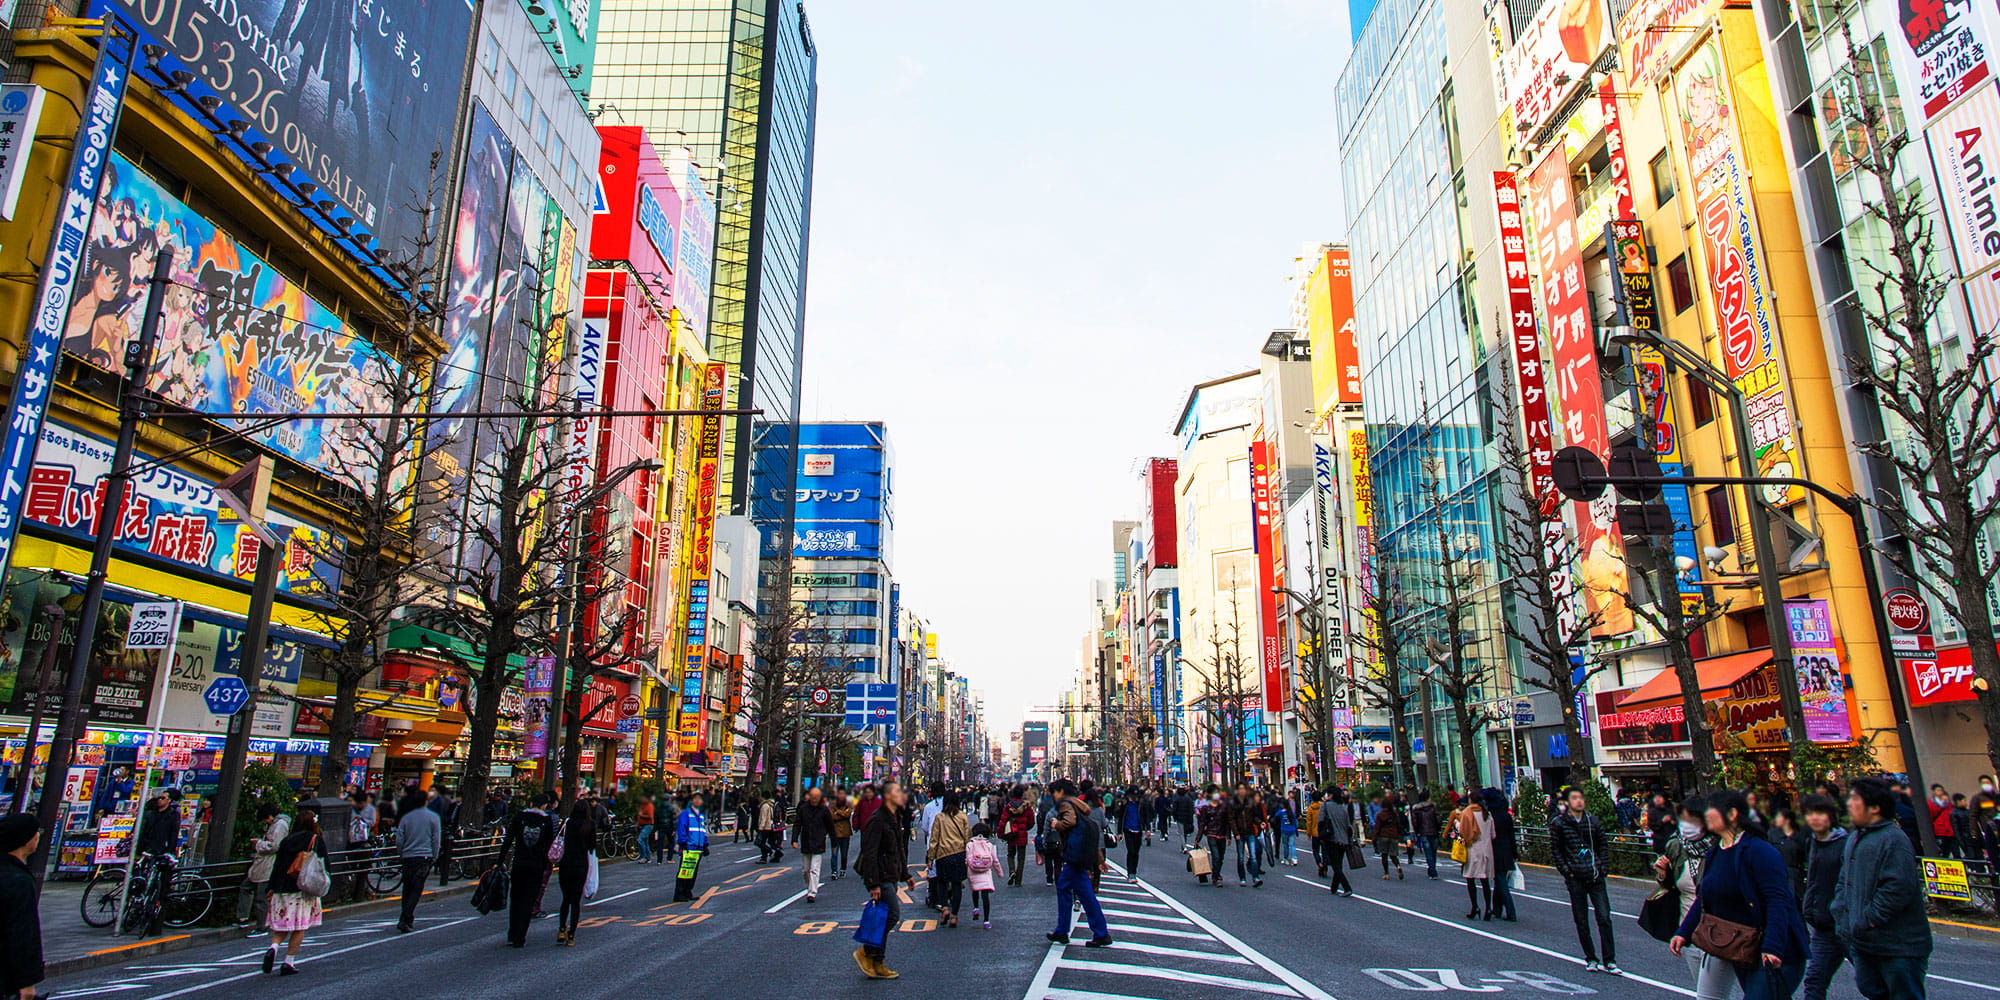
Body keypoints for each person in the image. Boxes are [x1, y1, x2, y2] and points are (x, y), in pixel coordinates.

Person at [1673, 790, 1810, 998]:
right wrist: (1684, 932)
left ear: (1732, 814)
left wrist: (1773, 946)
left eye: (1711, 809)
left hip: (1775, 951)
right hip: (1741, 946)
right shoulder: (1715, 852)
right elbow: (1704, 899)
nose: (1705, 814)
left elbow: (1778, 901)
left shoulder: (1759, 851)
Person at [1832, 777, 1933, 999]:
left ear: (1875, 807)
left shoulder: (1893, 839)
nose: (1848, 803)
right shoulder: (1855, 838)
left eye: (1855, 799)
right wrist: (1841, 915)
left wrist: (1867, 919)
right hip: (1865, 943)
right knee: (1873, 991)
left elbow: (1897, 889)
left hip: (1899, 947)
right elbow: (1844, 880)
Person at [1653, 794, 1734, 1000]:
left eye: (1692, 820)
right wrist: (1662, 873)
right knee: (1705, 990)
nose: (1686, 826)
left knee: (1709, 995)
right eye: (1683, 820)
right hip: (1689, 931)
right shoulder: (1677, 847)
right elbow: (1671, 886)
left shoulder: (1722, 847)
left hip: (1718, 933)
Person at [1550, 786, 1618, 973]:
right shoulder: (1559, 824)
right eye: (1574, 798)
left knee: (1604, 917)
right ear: (1566, 802)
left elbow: (1602, 845)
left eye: (1581, 797)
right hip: (1575, 877)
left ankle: (1610, 960)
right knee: (1581, 920)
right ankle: (1591, 957)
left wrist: (1603, 867)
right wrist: (1566, 871)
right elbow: (1556, 849)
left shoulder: (1593, 822)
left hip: (1595, 875)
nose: (1579, 801)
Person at [854, 780, 913, 980]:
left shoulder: (893, 817)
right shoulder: (878, 819)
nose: (901, 795)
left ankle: (878, 962)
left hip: (890, 873)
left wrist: (906, 875)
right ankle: (867, 951)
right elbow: (869, 852)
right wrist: (873, 883)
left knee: (883, 916)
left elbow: (897, 849)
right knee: (892, 915)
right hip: (880, 876)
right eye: (897, 791)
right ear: (888, 796)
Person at [1044, 779, 1111, 947]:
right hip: (1080, 853)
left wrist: (1056, 824)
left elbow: (1070, 822)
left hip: (1074, 854)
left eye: (1054, 792)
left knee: (1084, 893)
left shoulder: (1065, 804)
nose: (1053, 796)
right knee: (1068, 887)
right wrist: (1099, 859)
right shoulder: (1079, 804)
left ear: (1060, 791)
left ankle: (1100, 933)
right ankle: (1063, 931)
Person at [1797, 793, 1851, 1000]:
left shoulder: (1845, 844)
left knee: (1871, 982)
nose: (1814, 818)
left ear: (1830, 815)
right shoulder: (1812, 843)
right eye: (1809, 814)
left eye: (1819, 813)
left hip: (1847, 925)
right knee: (1814, 980)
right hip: (1822, 927)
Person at [263, 806, 324, 976]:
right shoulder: (315, 839)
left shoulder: (287, 840)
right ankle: (288, 962)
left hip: (282, 888)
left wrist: (272, 887)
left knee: (282, 925)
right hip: (303, 888)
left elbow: (277, 865)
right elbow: (323, 864)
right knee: (299, 926)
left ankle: (273, 947)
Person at [501, 793, 555, 948]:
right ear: (544, 805)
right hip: (536, 866)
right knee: (528, 900)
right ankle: (520, 936)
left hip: (519, 863)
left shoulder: (520, 817)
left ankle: (512, 932)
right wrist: (546, 864)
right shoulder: (546, 820)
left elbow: (508, 840)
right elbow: (549, 845)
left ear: (531, 803)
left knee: (516, 899)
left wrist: (500, 861)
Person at [0, 814, 45, 1000]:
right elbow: (23, 933)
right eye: (37, 832)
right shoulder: (18, 880)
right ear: (26, 839)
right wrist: (26, 983)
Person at [235, 803, 290, 930]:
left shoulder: (279, 826)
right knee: (247, 887)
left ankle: (261, 926)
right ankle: (244, 918)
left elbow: (275, 846)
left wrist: (259, 844)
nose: (265, 822)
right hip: (263, 864)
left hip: (268, 864)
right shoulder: (277, 824)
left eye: (265, 819)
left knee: (261, 896)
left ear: (270, 816)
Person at [395, 792, 440, 934]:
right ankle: (406, 918)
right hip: (424, 856)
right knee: (416, 889)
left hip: (408, 856)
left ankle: (405, 918)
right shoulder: (433, 817)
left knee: (407, 888)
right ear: (426, 801)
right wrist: (434, 855)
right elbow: (436, 839)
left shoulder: (406, 818)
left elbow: (399, 839)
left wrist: (401, 853)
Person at [927, 791, 972, 927]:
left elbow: (934, 839)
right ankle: (954, 916)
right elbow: (967, 837)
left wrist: (930, 858)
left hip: (943, 854)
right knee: (957, 884)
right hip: (959, 854)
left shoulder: (939, 818)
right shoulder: (962, 817)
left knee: (942, 882)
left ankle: (944, 908)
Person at [554, 800, 595, 947]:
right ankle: (571, 935)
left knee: (565, 898)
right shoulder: (589, 825)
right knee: (575, 901)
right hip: (580, 864)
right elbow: (592, 846)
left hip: (566, 863)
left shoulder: (567, 823)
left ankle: (561, 929)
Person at [1481, 788, 1518, 921]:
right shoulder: (1505, 814)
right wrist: (1515, 852)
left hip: (1493, 851)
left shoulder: (1488, 816)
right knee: (1499, 879)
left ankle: (1511, 911)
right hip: (1506, 849)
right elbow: (1511, 835)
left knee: (1500, 881)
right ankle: (1497, 909)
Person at [793, 786, 834, 904]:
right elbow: (797, 824)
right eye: (813, 797)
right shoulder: (803, 809)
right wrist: (794, 839)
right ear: (809, 797)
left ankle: (812, 892)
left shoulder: (824, 810)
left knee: (814, 869)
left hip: (818, 842)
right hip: (806, 842)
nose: (814, 799)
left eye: (817, 797)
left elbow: (830, 826)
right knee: (805, 870)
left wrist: (833, 841)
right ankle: (809, 887)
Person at [1459, 794, 1495, 921]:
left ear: (1470, 800)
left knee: (1470, 879)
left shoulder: (1467, 813)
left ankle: (1475, 907)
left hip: (1472, 850)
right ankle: (1489, 908)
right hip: (1487, 851)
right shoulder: (1487, 814)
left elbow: (1462, 831)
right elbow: (1493, 834)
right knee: (1485, 881)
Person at [673, 793, 710, 902]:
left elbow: (703, 831)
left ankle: (688, 891)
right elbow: (682, 828)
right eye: (696, 799)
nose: (698, 801)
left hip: (698, 848)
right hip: (689, 847)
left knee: (693, 871)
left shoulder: (701, 816)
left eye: (700, 799)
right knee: (684, 870)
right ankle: (679, 893)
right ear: (692, 801)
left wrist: (705, 844)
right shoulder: (686, 814)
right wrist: (683, 842)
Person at [1319, 787, 1356, 897]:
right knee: (1338, 863)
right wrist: (1349, 840)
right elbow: (1348, 826)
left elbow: (1320, 821)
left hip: (1331, 838)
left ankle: (1347, 887)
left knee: (1335, 865)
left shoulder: (1325, 805)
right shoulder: (1343, 807)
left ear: (1330, 795)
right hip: (1343, 840)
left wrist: (1320, 836)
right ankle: (1334, 888)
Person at [1228, 783, 1266, 888]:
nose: (1242, 791)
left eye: (1243, 788)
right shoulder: (1233, 803)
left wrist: (1260, 823)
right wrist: (1235, 833)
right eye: (1240, 789)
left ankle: (1255, 878)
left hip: (1250, 832)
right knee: (1240, 857)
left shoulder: (1250, 802)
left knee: (1253, 856)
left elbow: (1253, 816)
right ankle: (1242, 878)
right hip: (1239, 833)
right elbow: (1231, 820)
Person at [966, 822, 999, 929]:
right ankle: (986, 920)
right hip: (985, 872)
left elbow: (967, 859)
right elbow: (995, 860)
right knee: (985, 895)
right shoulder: (989, 845)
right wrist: (999, 873)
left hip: (973, 870)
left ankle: (976, 908)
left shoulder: (970, 844)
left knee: (975, 889)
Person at [1195, 789, 1230, 887]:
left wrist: (1229, 835)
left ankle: (1217, 872)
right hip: (1211, 833)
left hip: (1222, 834)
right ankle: (1216, 877)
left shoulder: (1223, 808)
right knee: (1216, 855)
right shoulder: (1206, 808)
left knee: (1221, 856)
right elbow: (1202, 824)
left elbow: (1227, 822)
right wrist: (1198, 838)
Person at [1001, 787, 1035, 886]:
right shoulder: (1027, 807)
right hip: (1022, 835)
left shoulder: (1008, 806)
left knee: (1010, 855)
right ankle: (1018, 880)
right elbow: (1031, 821)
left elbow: (1003, 821)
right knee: (1021, 858)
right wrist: (1025, 828)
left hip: (1011, 834)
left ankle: (1012, 871)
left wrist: (1001, 834)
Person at [1372, 791, 1406, 880]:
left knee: (1384, 855)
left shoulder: (1380, 815)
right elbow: (1398, 825)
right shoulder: (1394, 814)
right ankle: (1398, 866)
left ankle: (1386, 873)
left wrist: (1374, 838)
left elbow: (1377, 827)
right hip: (1393, 836)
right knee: (1393, 855)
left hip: (1383, 836)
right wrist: (1399, 833)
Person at [1409, 790, 1441, 880]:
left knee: (1428, 852)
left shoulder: (1416, 809)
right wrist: (1437, 828)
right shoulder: (1433, 807)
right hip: (1434, 832)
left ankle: (1432, 871)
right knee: (1433, 852)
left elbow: (1414, 821)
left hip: (1423, 832)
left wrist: (1417, 831)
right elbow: (1438, 819)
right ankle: (1432, 869)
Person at [1117, 786, 1148, 876]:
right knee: (1131, 851)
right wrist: (1119, 832)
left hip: (1138, 829)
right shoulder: (1125, 804)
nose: (1135, 797)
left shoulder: (1141, 804)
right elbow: (1120, 818)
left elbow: (1145, 817)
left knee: (1136, 852)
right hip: (1128, 829)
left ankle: (1134, 871)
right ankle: (1130, 872)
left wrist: (1147, 829)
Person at [829, 790, 854, 881]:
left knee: (844, 854)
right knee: (834, 854)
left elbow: (847, 815)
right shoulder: (832, 806)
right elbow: (831, 817)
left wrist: (838, 812)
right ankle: (834, 871)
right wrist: (842, 814)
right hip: (834, 834)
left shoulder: (848, 805)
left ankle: (843, 869)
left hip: (845, 833)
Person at [1273, 797, 1298, 866]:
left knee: (1285, 845)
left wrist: (1279, 808)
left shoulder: (1281, 812)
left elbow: (1276, 815)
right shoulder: (1291, 812)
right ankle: (1294, 859)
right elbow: (1294, 821)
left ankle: (1285, 859)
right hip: (1292, 830)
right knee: (1292, 845)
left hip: (1284, 830)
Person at [635, 795, 656, 865]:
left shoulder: (649, 806)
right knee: (645, 840)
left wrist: (641, 815)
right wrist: (638, 823)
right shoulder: (642, 806)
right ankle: (648, 857)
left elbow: (650, 816)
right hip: (642, 825)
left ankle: (643, 856)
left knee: (640, 839)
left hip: (648, 825)